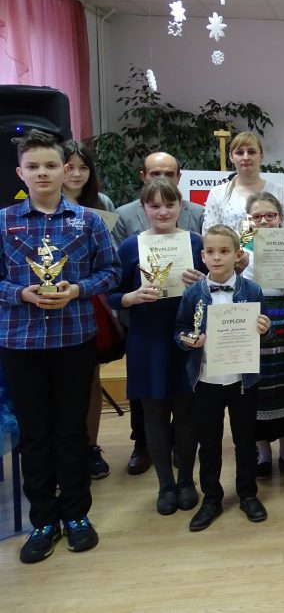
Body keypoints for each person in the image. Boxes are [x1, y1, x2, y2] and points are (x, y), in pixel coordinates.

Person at [1, 130, 120, 563]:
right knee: (34, 434)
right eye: (33, 166)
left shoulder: (88, 221)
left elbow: (111, 272)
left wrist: (77, 290)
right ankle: (43, 521)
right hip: (20, 342)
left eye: (51, 165)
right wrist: (20, 294)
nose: (43, 173)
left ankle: (76, 515)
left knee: (71, 430)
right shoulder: (3, 221)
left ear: (64, 170)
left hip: (73, 339)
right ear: (21, 173)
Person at [109, 178, 205, 515]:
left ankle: (187, 481)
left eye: (169, 204)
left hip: (185, 335)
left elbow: (216, 285)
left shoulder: (195, 242)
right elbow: (111, 294)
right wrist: (131, 298)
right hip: (148, 338)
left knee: (186, 410)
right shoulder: (129, 247)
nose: (163, 211)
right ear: (143, 208)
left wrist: (202, 282)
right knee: (154, 411)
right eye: (155, 205)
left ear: (180, 206)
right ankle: (165, 484)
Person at [175, 225, 272, 532]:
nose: (217, 257)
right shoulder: (193, 293)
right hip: (206, 381)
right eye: (211, 252)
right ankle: (212, 498)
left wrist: (265, 329)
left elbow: (264, 333)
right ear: (202, 256)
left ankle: (248, 494)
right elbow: (179, 329)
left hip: (243, 380)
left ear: (237, 255)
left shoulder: (252, 290)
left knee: (245, 440)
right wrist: (188, 340)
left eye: (224, 251)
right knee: (209, 443)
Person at [242, 192, 284, 479]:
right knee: (261, 385)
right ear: (249, 220)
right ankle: (263, 453)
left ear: (281, 218)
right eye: (257, 216)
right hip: (257, 319)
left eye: (270, 215)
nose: (264, 221)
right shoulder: (241, 250)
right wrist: (238, 269)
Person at [61, 140, 117, 480]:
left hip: (89, 297)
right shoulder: (39, 206)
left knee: (91, 376)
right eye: (70, 167)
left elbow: (110, 258)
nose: (77, 174)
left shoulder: (100, 204)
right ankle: (64, 449)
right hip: (49, 299)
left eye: (83, 167)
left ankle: (91, 445)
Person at [203, 131, 284, 236]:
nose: (246, 157)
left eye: (251, 152)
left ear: (261, 156)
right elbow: (209, 236)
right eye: (240, 153)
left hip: (273, 247)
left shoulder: (279, 192)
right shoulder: (217, 194)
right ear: (231, 157)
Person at [111, 151, 206, 245]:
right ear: (143, 177)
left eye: (169, 174)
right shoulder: (122, 216)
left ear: (178, 178)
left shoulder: (199, 214)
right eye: (155, 174)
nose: (162, 179)